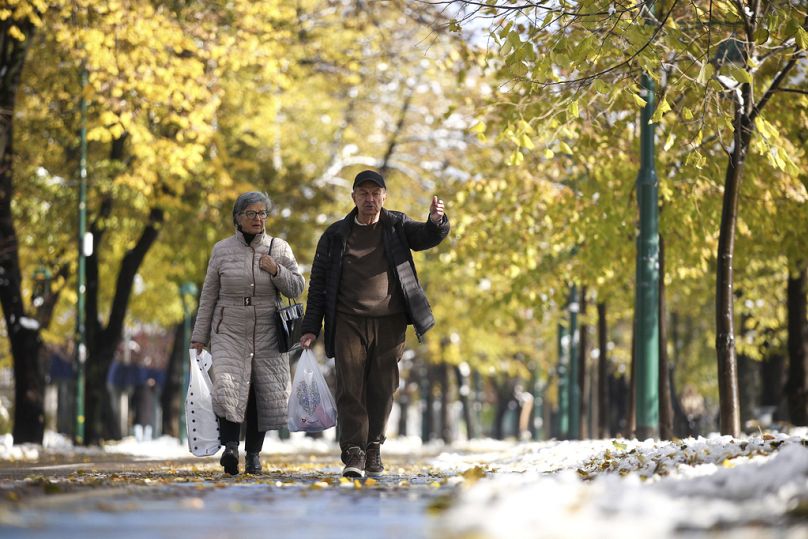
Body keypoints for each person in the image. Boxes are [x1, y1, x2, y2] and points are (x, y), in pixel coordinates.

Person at [300, 169, 450, 478]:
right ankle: (353, 449)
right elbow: (318, 284)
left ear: (384, 196)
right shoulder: (335, 235)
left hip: (390, 321)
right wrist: (310, 327)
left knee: (383, 387)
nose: (370, 199)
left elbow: (424, 236)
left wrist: (436, 222)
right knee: (350, 385)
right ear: (353, 197)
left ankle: (373, 446)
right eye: (363, 193)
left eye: (375, 193)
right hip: (347, 321)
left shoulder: (396, 225)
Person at [191, 192, 305, 475]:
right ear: (238, 218)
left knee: (261, 392)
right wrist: (199, 335)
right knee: (227, 386)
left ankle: (253, 454)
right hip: (228, 326)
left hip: (268, 328)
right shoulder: (221, 250)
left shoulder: (279, 248)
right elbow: (208, 296)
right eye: (251, 213)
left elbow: (297, 287)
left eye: (262, 213)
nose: (258, 219)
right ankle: (230, 447)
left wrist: (276, 269)